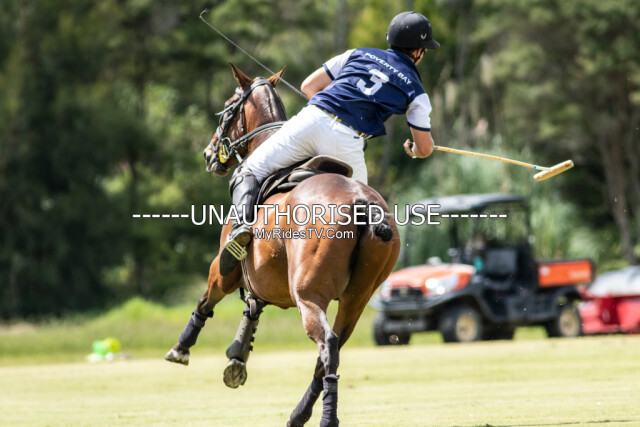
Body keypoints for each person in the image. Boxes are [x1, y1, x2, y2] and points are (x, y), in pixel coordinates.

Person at [219, 11, 440, 275]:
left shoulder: (358, 53)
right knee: (366, 212)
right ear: (418, 51)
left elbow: (308, 86)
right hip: (347, 143)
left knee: (248, 170)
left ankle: (241, 228)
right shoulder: (416, 90)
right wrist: (414, 150)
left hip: (311, 122)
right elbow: (424, 148)